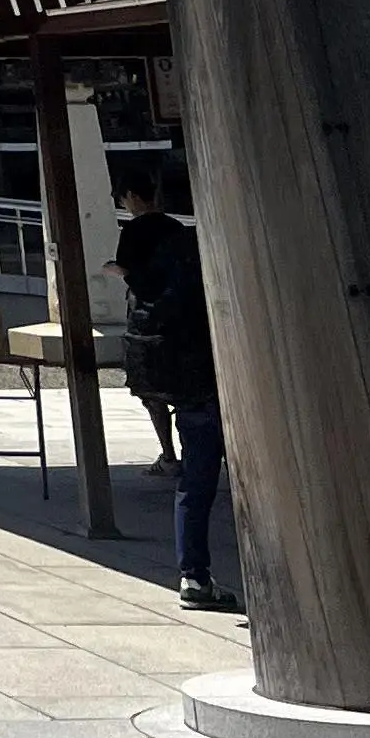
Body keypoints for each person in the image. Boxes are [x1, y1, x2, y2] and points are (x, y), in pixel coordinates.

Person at [115, 164, 236, 612]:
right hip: (211, 369)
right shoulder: (188, 244)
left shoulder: (137, 257)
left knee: (196, 481)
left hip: (175, 373)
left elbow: (127, 273)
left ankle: (194, 576)